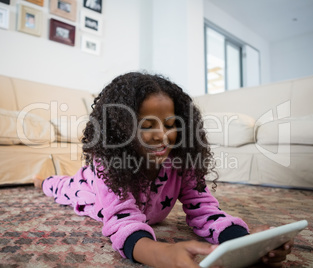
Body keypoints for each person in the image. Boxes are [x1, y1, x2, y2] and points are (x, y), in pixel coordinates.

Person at [34, 72, 293, 267]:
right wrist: (162, 255)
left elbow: (205, 208)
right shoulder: (108, 164)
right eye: (147, 125)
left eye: (170, 123)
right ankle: (42, 179)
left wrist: (242, 241)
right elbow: (122, 221)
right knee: (60, 187)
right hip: (88, 187)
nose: (163, 135)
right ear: (120, 130)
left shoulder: (181, 159)